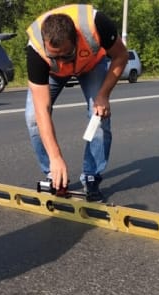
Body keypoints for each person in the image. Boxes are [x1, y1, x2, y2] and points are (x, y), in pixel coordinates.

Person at [25, 4, 128, 202]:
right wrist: (56, 157)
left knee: (99, 115)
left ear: (77, 39)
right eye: (55, 56)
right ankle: (54, 174)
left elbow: (120, 56)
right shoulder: (36, 49)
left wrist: (104, 94)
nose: (62, 61)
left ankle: (91, 175)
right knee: (32, 117)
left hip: (91, 65)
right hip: (53, 74)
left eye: (66, 54)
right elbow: (41, 110)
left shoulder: (97, 24)